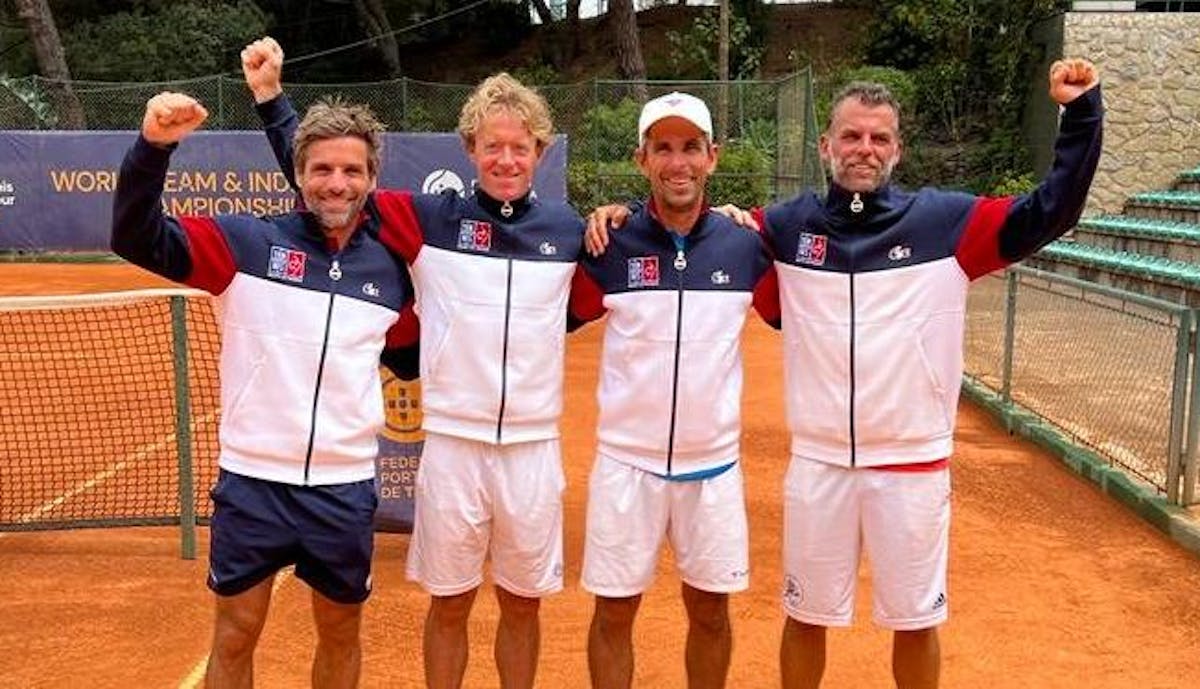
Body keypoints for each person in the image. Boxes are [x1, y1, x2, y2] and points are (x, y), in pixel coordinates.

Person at [587, 59, 1104, 689]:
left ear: (896, 149)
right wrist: (616, 214)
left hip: (912, 463)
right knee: (805, 617)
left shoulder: (945, 223)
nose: (864, 149)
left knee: (915, 623)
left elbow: (1051, 210)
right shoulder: (783, 227)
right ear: (825, 146)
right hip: (820, 464)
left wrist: (1081, 114)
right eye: (851, 136)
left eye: (878, 138)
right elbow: (697, 235)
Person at [242, 37, 598, 689]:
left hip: (533, 449)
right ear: (470, 150)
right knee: (451, 601)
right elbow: (330, 181)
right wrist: (272, 100)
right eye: (493, 145)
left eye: (521, 147)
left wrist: (627, 215)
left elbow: (634, 256)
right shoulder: (431, 219)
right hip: (454, 448)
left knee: (522, 603)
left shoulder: (569, 231)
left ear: (540, 153)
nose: (507, 158)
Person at [111, 91, 418, 689]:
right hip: (253, 483)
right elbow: (135, 237)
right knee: (234, 634)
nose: (337, 183)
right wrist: (153, 147)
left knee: (340, 634)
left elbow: (407, 354)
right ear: (299, 174)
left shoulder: (389, 273)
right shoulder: (244, 244)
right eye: (322, 169)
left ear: (371, 179)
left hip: (343, 485)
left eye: (351, 170)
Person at [569, 92, 777, 689]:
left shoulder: (747, 244)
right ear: (642, 159)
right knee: (613, 611)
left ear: (713, 158)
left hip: (713, 468)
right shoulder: (611, 244)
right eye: (663, 147)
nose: (677, 161)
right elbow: (562, 314)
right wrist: (600, 217)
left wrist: (752, 221)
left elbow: (798, 308)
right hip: (625, 465)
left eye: (691, 147)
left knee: (711, 613)